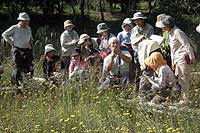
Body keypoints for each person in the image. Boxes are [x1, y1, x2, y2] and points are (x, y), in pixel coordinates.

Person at [156, 15, 196, 104]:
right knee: (180, 79)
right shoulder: (170, 33)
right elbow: (172, 50)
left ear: (168, 25)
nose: (162, 29)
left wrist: (192, 57)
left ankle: (185, 99)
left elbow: (186, 45)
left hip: (183, 58)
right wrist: (173, 62)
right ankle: (183, 98)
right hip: (177, 59)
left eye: (164, 26)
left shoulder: (178, 32)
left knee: (184, 79)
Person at [2, 12, 34, 86]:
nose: (27, 22)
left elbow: (30, 38)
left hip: (27, 50)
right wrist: (11, 41)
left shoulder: (29, 28)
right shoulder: (14, 28)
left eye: (27, 21)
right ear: (21, 21)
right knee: (17, 67)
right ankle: (15, 85)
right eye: (25, 21)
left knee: (29, 67)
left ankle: (26, 84)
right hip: (17, 49)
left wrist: (31, 46)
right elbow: (4, 34)